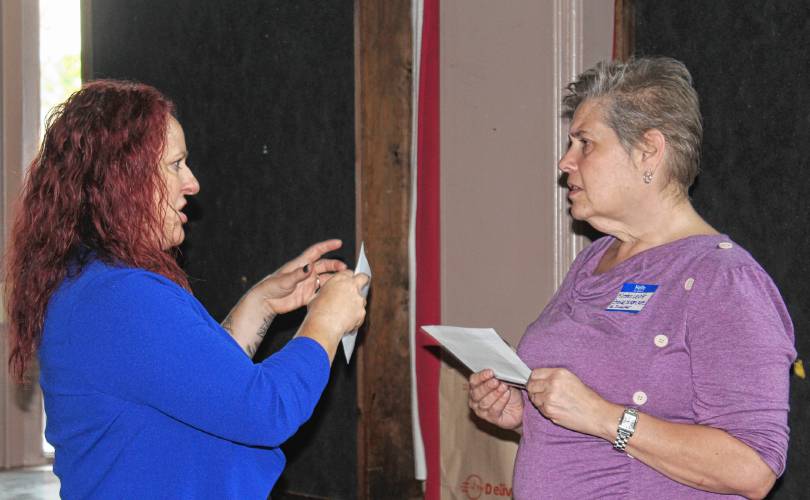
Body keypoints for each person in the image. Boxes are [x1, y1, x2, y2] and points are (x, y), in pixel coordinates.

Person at [4, 80, 368, 499]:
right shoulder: (120, 297)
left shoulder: (94, 283)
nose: (192, 183)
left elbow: (201, 387)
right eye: (176, 165)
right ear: (124, 179)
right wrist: (326, 321)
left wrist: (261, 302)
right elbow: (266, 411)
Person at [468, 57, 796, 499]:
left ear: (649, 152)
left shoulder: (724, 280)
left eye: (585, 143)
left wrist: (605, 417)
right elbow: (590, 404)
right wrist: (525, 410)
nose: (565, 162)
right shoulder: (596, 259)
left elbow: (753, 467)